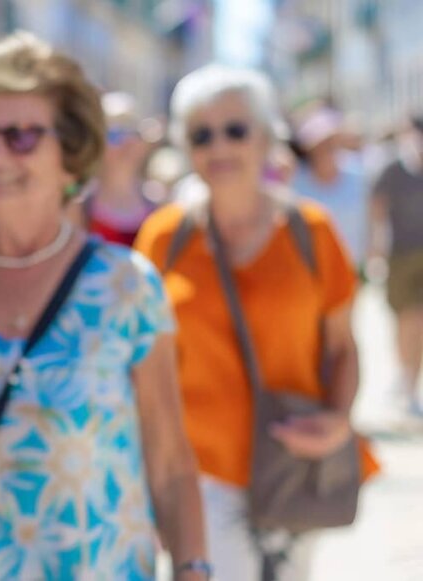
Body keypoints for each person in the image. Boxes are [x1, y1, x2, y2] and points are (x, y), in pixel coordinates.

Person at [0, 32, 208, 580]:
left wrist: (193, 568)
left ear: (70, 158)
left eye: (20, 137)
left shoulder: (125, 286)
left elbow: (171, 462)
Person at [134, 65, 377, 581]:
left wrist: (339, 419)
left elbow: (342, 347)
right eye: (202, 134)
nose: (219, 146)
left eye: (236, 129)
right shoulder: (162, 238)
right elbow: (139, 367)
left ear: (266, 137)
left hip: (292, 461)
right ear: (185, 147)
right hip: (198, 470)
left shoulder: (311, 231)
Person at [369, 114, 423, 414]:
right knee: (406, 320)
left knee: (419, 321)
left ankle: (411, 383)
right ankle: (405, 378)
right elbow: (377, 207)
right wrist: (377, 246)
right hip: (401, 256)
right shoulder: (393, 169)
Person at [290, 104, 371, 269]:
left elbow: (370, 216)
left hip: (351, 264)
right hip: (310, 267)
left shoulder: (358, 173)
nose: (327, 149)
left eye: (331, 142)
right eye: (321, 144)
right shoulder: (296, 181)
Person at [80, 91, 159, 246]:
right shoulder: (78, 209)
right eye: (115, 134)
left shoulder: (160, 206)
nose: (127, 142)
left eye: (133, 132)